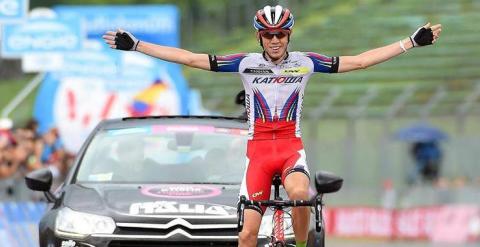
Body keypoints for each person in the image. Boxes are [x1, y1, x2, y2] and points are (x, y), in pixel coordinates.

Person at [103, 5, 442, 247]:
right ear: (260, 37)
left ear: (288, 35)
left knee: (299, 194)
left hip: (290, 148)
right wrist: (136, 45)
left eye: (280, 34)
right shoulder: (245, 64)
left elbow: (361, 62)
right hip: (259, 152)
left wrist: (410, 42)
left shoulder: (306, 62)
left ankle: (300, 244)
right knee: (248, 236)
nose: (275, 40)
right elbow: (191, 58)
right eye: (268, 35)